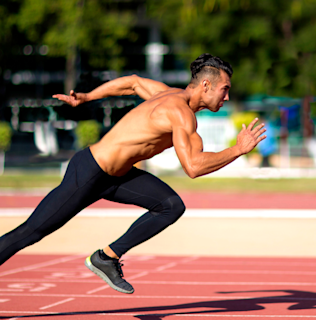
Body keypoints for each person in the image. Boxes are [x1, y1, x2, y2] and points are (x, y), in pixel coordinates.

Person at [0, 53, 266, 294]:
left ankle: (106, 258)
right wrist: (238, 150)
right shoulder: (180, 113)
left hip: (117, 177)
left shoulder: (167, 94)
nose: (227, 97)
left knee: (170, 205)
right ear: (206, 85)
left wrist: (89, 96)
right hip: (90, 172)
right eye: (225, 89)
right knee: (30, 232)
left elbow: (132, 82)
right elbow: (193, 167)